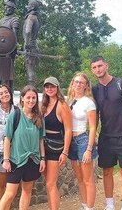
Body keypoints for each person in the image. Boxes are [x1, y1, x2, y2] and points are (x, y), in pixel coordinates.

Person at [90, 56, 122, 210]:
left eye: (100, 66)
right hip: (106, 136)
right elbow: (95, 114)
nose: (98, 70)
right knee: (107, 171)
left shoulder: (121, 84)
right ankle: (109, 204)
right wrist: (95, 135)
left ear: (106, 65)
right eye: (94, 67)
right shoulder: (95, 89)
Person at [0, 85, 46, 210]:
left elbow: (41, 140)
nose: (31, 100)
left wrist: (42, 158)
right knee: (10, 194)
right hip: (16, 160)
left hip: (32, 160)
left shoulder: (39, 117)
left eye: (34, 98)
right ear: (22, 98)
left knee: (27, 191)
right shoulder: (15, 115)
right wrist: (6, 160)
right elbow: (7, 139)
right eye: (28, 97)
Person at [67, 73, 98, 210]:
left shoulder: (89, 102)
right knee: (79, 178)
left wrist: (89, 149)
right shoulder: (69, 101)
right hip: (71, 141)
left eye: (82, 82)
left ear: (86, 86)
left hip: (83, 140)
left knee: (88, 179)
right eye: (76, 82)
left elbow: (92, 127)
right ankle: (84, 204)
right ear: (72, 83)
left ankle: (90, 207)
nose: (78, 84)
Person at [41, 77, 72, 210]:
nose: (50, 89)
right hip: (43, 146)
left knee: (51, 183)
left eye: (52, 86)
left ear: (57, 87)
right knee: (47, 183)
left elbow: (68, 129)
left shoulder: (62, 105)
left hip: (55, 147)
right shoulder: (43, 105)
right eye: (47, 86)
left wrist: (65, 151)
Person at [23, 0, 40, 86]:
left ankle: (31, 88)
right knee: (31, 67)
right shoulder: (35, 18)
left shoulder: (31, 18)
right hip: (33, 45)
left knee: (30, 68)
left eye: (29, 5)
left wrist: (26, 45)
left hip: (30, 46)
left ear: (32, 7)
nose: (27, 7)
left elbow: (28, 32)